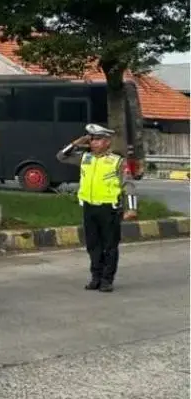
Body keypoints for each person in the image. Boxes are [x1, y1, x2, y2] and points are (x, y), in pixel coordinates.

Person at [56, 123, 138, 293]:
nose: (94, 143)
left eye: (98, 139)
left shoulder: (117, 161)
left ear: (107, 142)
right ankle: (96, 277)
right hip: (89, 208)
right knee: (93, 245)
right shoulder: (85, 158)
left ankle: (107, 280)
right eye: (92, 139)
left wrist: (131, 208)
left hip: (109, 209)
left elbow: (128, 185)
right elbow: (61, 157)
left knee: (109, 246)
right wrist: (77, 143)